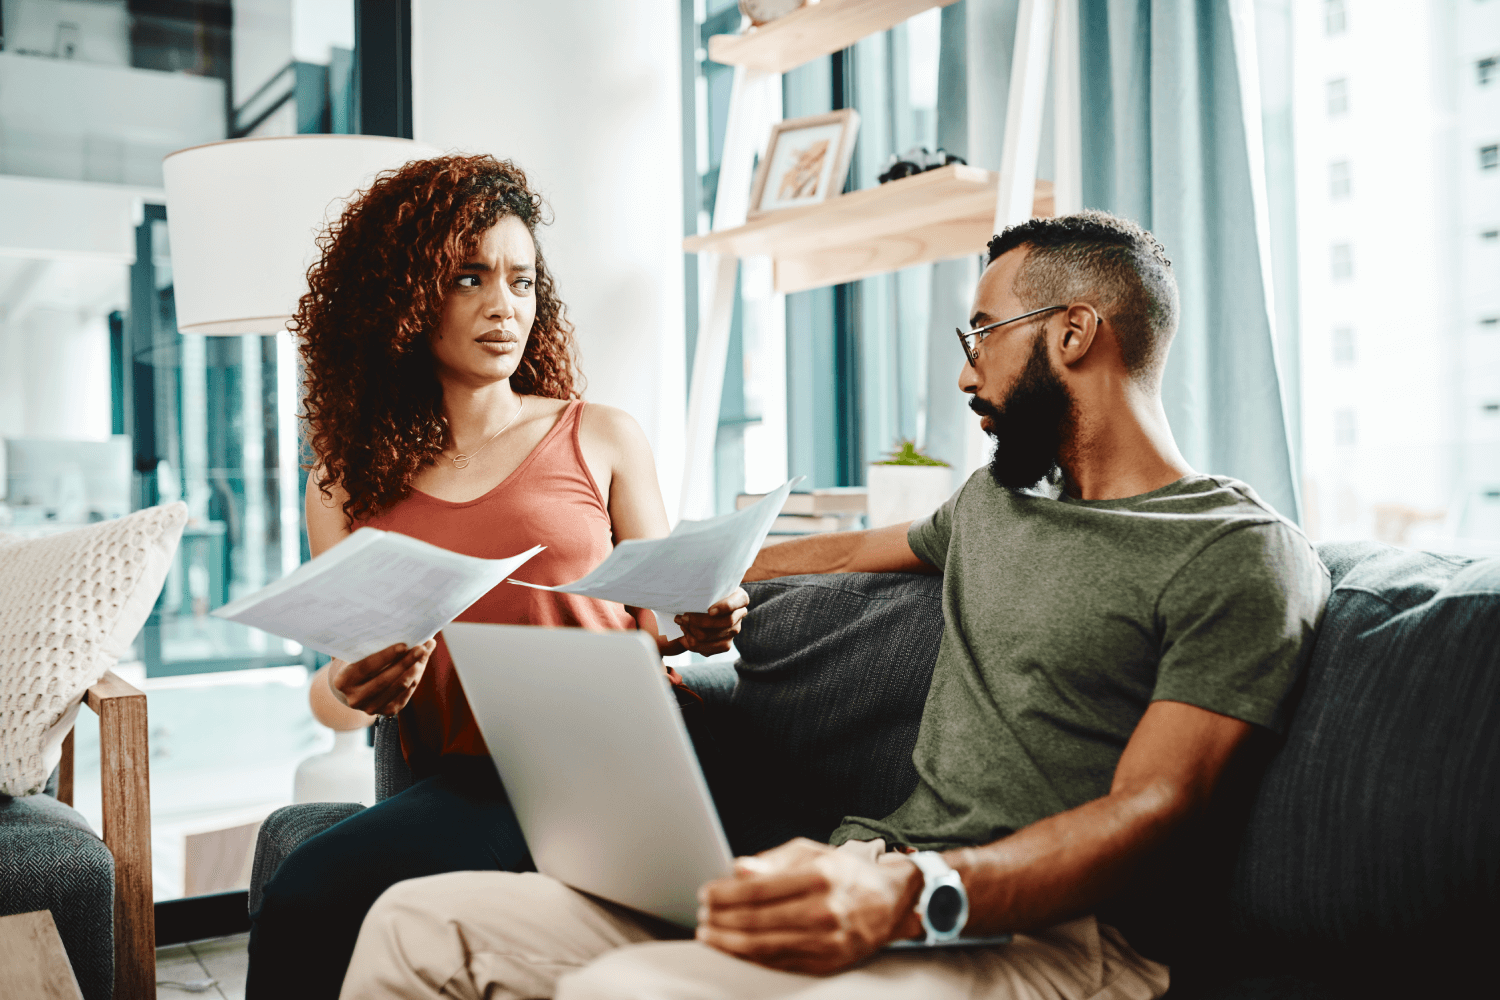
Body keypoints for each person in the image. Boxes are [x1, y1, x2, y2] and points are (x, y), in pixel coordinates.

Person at [336, 210, 1331, 1000]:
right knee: (416, 925)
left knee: (632, 989)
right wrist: (684, 575)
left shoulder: (1237, 554)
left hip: (1042, 940)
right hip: (858, 870)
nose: (963, 368)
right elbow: (838, 549)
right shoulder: (994, 506)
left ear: (1073, 332)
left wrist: (907, 892)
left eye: (982, 332)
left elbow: (1154, 807)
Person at [245, 154, 747, 999]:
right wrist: (358, 687)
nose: (503, 306)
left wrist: (703, 620)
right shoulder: (343, 481)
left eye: (521, 281)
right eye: (469, 278)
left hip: (627, 754)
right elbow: (333, 693)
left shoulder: (604, 436)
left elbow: (666, 612)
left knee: (312, 889)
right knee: (310, 888)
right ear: (404, 299)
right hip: (477, 777)